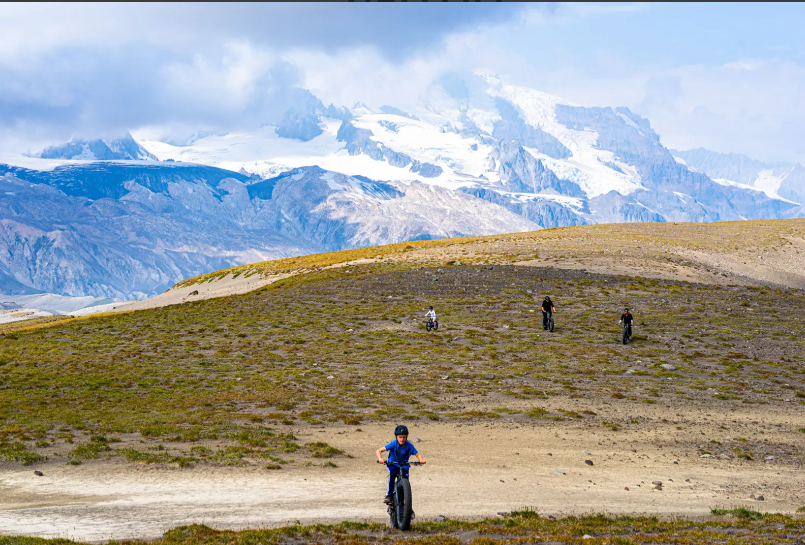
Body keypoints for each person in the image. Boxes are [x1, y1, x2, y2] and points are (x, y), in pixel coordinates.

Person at [376, 424, 426, 504]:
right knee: (392, 474)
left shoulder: (409, 445)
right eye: (400, 437)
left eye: (404, 437)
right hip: (393, 464)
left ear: (406, 437)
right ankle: (389, 495)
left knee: (406, 484)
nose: (402, 439)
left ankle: (407, 507)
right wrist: (380, 458)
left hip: (404, 465)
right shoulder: (393, 444)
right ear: (396, 437)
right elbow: (379, 450)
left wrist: (421, 460)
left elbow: (417, 454)